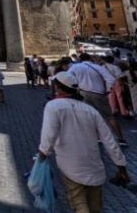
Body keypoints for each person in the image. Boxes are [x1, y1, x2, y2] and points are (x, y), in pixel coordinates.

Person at [38, 71, 129, 213]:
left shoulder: (53, 107)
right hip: (94, 167)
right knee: (95, 207)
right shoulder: (90, 110)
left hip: (71, 166)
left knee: (79, 203)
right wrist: (121, 166)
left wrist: (42, 155)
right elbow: (109, 140)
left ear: (58, 87)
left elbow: (48, 136)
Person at [68, 53, 127, 146]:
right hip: (99, 94)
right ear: (90, 59)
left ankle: (97, 138)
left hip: (84, 93)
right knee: (109, 117)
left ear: (80, 59)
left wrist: (76, 87)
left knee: (89, 116)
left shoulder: (75, 67)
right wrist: (108, 90)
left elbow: (68, 78)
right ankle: (121, 139)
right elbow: (111, 79)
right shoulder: (98, 67)